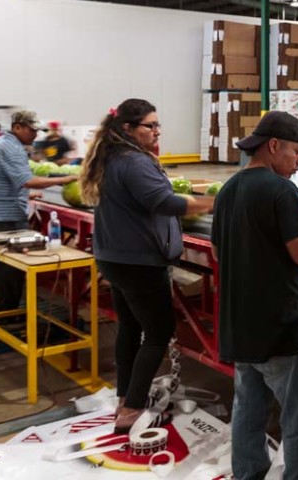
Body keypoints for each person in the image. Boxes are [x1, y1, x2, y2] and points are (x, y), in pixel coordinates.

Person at [79, 99, 214, 434]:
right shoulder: (133, 161)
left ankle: (125, 397)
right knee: (158, 332)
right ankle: (132, 410)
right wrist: (219, 202)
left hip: (115, 257)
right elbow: (164, 202)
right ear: (127, 129)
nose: (157, 131)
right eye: (150, 126)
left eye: (157, 125)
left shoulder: (112, 157)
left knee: (129, 328)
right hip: (138, 261)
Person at [212, 111, 298, 480]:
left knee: (248, 414)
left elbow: (217, 252)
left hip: (240, 327)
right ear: (273, 145)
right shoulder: (281, 190)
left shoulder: (228, 189)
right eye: (296, 151)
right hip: (281, 330)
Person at [0, 110, 77, 314]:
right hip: (5, 217)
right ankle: (5, 316)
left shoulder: (2, 143)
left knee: (8, 269)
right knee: (11, 270)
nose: (36, 135)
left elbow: (6, 181)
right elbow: (28, 181)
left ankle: (5, 313)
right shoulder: (11, 148)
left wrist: (25, 196)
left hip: (0, 211)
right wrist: (63, 179)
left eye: (38, 130)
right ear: (17, 127)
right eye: (32, 130)